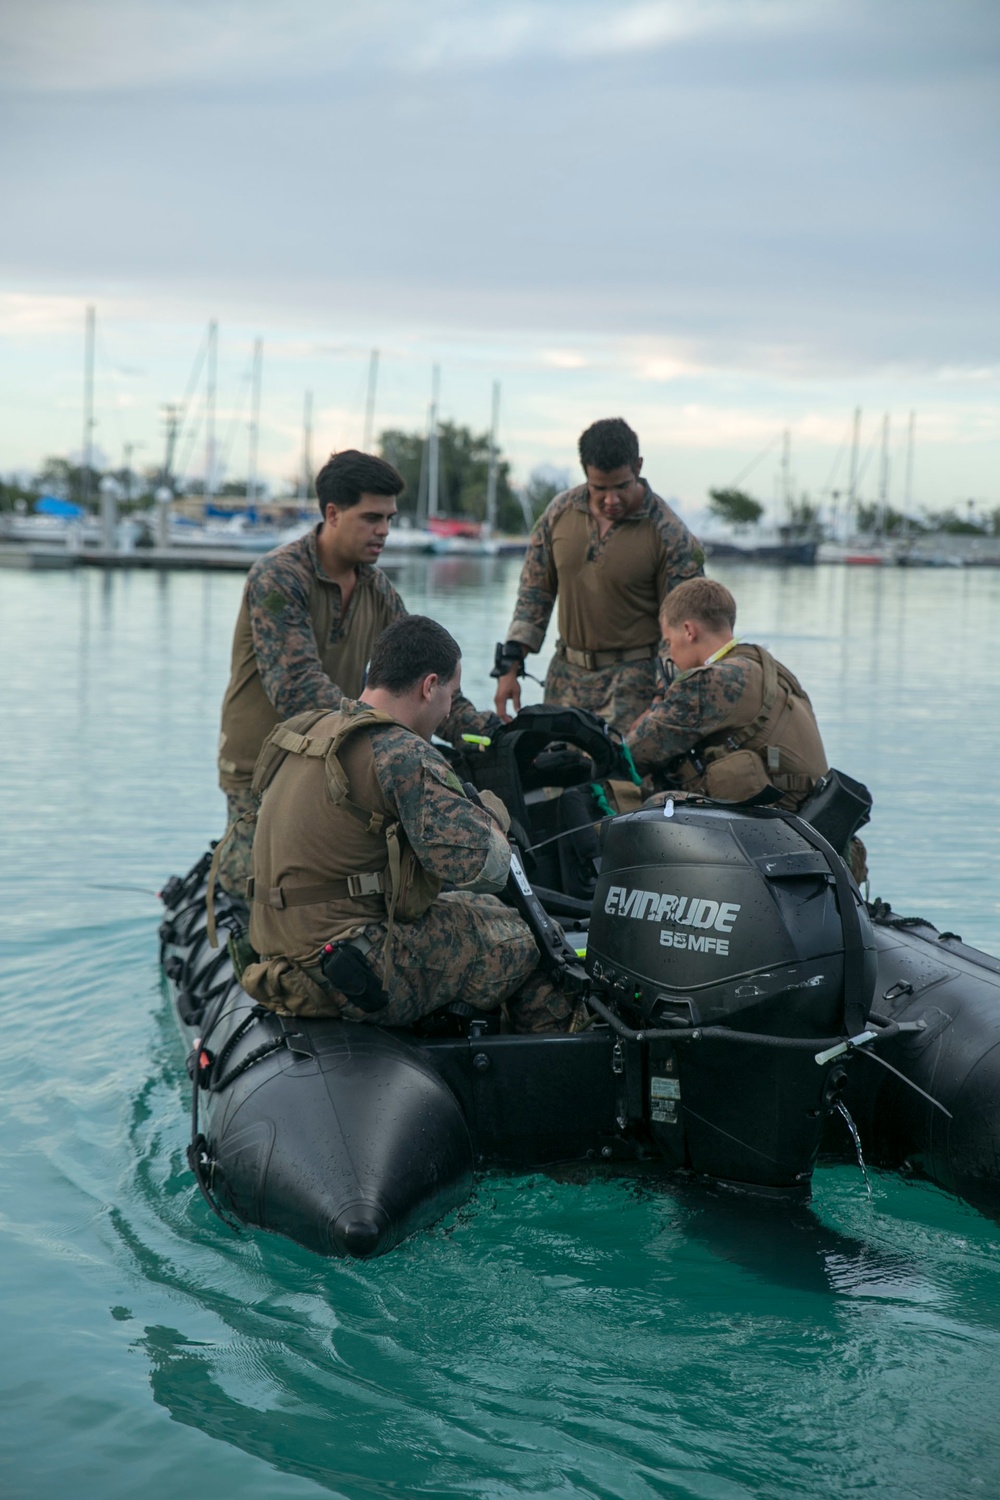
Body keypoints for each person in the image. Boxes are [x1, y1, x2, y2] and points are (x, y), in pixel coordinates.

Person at [239, 616, 573, 1033]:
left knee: (485, 912)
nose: (449, 707)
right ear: (429, 686)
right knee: (528, 941)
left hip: (282, 956)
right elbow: (486, 867)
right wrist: (492, 811)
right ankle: (550, 1078)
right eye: (450, 694)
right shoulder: (400, 751)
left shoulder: (310, 729)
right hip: (345, 969)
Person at [215, 449, 497, 896]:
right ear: (332, 513)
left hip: (336, 759)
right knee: (261, 893)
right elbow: (296, 687)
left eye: (389, 518)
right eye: (371, 517)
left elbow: (425, 674)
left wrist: (488, 731)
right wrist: (390, 740)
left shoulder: (376, 588)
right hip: (263, 767)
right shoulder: (277, 579)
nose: (384, 530)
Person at [493, 417, 704, 732]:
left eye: (622, 486)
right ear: (585, 473)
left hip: (634, 686)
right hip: (564, 678)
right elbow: (533, 595)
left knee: (617, 780)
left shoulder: (671, 535)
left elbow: (685, 629)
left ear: (638, 466)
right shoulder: (559, 513)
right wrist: (509, 666)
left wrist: (662, 699)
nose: (611, 500)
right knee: (553, 772)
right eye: (599, 488)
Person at [625, 578, 829, 809]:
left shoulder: (712, 681)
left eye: (669, 642)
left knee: (657, 808)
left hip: (782, 823)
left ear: (689, 631)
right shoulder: (766, 668)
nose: (670, 654)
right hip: (810, 818)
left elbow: (634, 756)